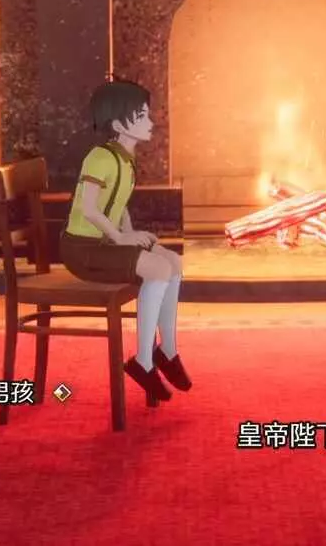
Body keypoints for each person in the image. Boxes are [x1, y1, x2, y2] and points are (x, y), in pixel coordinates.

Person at [61, 77, 191, 406]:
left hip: (105, 244)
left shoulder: (125, 159)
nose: (151, 122)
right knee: (158, 270)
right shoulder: (99, 157)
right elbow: (89, 209)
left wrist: (131, 235)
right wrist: (121, 237)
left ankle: (167, 350)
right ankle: (143, 361)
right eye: (142, 116)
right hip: (83, 250)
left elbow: (119, 207)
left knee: (173, 262)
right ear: (119, 124)